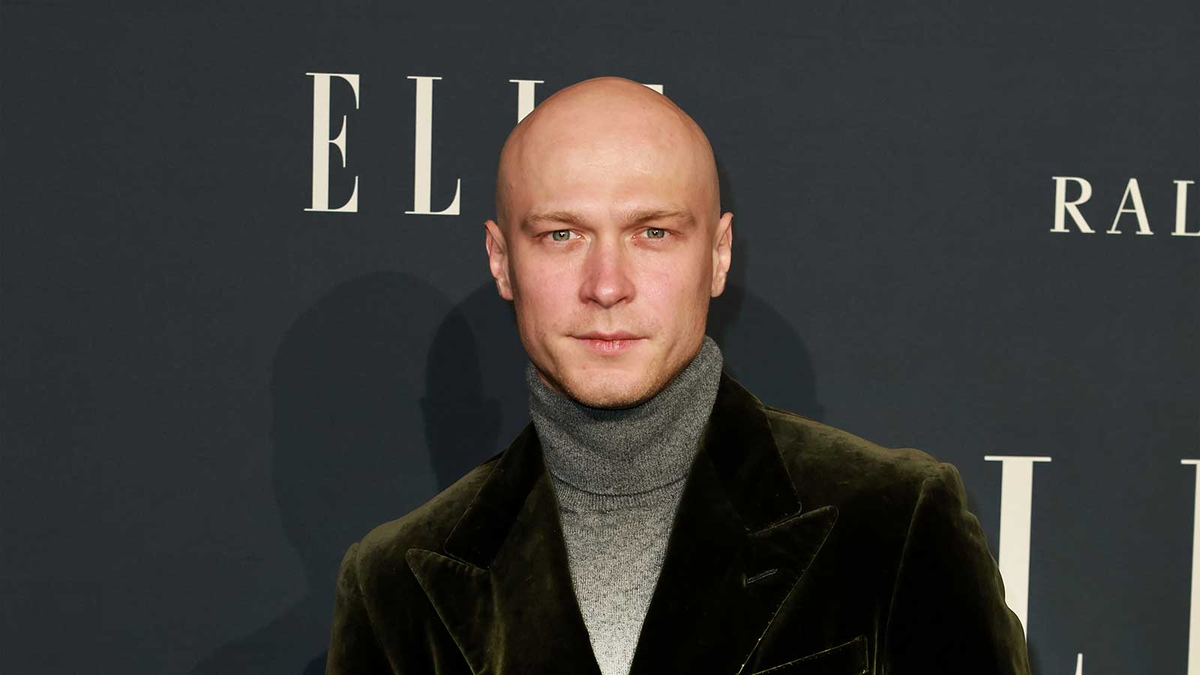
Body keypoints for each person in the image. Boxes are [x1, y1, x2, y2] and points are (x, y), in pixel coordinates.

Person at [324, 76, 1031, 675]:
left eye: (653, 232)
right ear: (501, 260)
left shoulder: (894, 522)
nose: (607, 285)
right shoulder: (393, 585)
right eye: (562, 235)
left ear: (718, 255)